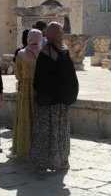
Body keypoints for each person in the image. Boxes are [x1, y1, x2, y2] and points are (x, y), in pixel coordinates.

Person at [31, 23, 78, 171]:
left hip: (48, 100)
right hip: (62, 100)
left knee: (45, 131)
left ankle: (42, 163)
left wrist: (39, 92)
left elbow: (39, 78)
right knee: (61, 131)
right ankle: (61, 161)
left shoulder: (45, 51)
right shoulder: (65, 51)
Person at [11, 29, 42, 159]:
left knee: (25, 118)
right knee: (38, 117)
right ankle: (39, 149)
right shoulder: (43, 53)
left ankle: (24, 149)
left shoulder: (21, 54)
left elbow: (17, 74)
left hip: (25, 89)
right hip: (39, 88)